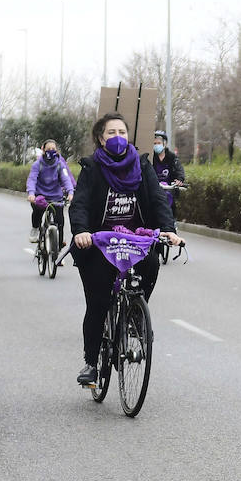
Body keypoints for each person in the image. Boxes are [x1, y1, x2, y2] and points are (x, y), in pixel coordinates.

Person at [69, 113, 182, 385]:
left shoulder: (142, 166)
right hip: (100, 244)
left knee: (152, 264)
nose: (117, 137)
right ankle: (91, 363)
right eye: (111, 133)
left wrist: (169, 229)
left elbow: (157, 200)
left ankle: (134, 314)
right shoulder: (92, 168)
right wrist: (82, 232)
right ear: (100, 138)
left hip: (135, 239)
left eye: (122, 132)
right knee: (98, 303)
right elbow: (80, 204)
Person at [26, 139, 75, 244]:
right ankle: (35, 229)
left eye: (53, 149)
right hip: (40, 197)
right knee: (37, 212)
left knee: (60, 221)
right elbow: (32, 179)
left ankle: (59, 247)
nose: (51, 151)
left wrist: (70, 192)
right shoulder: (37, 164)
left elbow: (66, 179)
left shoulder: (60, 165)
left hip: (56, 197)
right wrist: (31, 193)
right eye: (48, 149)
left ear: (57, 151)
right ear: (43, 150)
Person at [151, 130, 186, 218]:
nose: (156, 145)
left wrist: (179, 179)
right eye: (154, 143)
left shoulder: (172, 157)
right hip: (154, 191)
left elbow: (179, 170)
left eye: (158, 143)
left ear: (164, 144)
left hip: (168, 191)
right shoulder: (151, 157)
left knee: (171, 211)